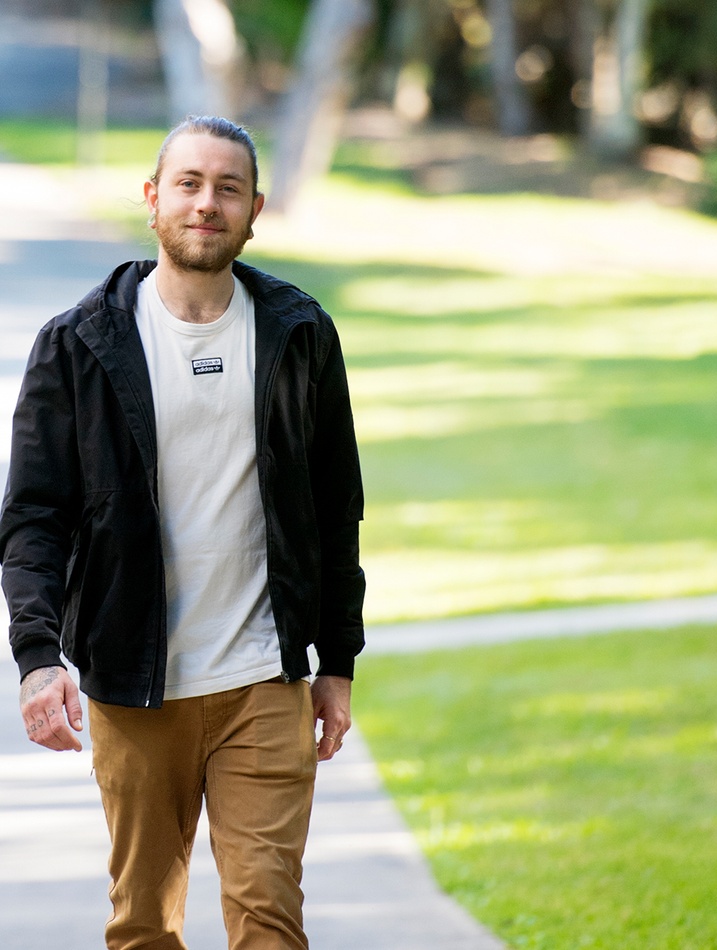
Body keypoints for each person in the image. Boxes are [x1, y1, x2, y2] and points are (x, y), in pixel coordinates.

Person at [0, 115, 365, 950]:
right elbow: (33, 518)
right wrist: (36, 659)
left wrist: (336, 662)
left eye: (228, 188)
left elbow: (335, 504)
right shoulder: (78, 343)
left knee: (271, 918)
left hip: (263, 681)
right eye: (190, 184)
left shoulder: (299, 333)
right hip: (135, 688)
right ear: (153, 198)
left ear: (256, 208)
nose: (208, 203)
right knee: (143, 924)